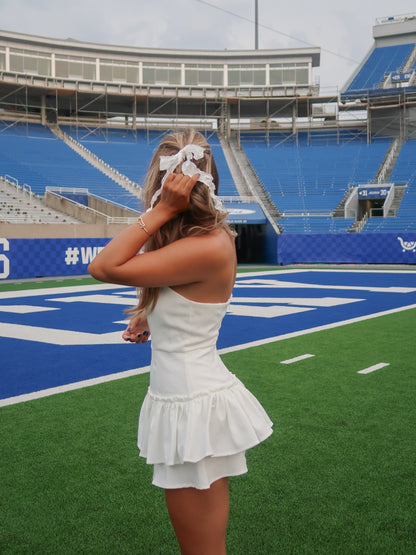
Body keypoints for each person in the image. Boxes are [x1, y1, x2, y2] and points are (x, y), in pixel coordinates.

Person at [88, 129, 273, 554]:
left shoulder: (208, 245)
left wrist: (158, 211)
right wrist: (151, 315)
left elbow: (103, 266)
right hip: (183, 398)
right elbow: (184, 297)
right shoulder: (194, 241)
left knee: (203, 550)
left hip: (193, 406)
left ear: (166, 182)